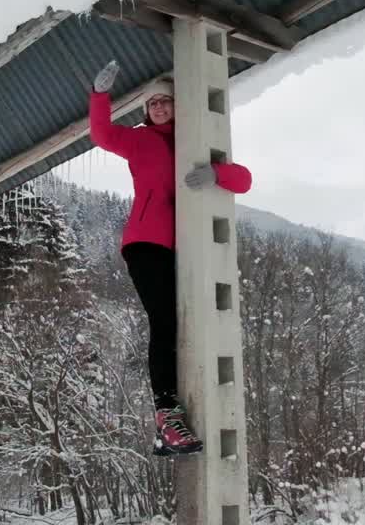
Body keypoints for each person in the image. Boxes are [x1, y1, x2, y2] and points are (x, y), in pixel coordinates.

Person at [88, 59, 253, 457]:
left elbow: (244, 180)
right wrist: (99, 95)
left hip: (186, 249)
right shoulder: (139, 140)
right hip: (145, 242)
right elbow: (101, 134)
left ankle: (176, 413)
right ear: (146, 111)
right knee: (163, 321)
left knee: (188, 325)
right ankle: (165, 410)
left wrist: (215, 173)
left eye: (166, 101)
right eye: (153, 103)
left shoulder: (194, 139)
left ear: (180, 105)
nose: (159, 107)